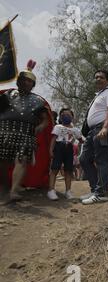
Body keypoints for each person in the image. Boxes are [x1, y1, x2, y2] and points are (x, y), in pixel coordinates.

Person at [0, 60, 53, 201]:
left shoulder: (38, 101)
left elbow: (45, 120)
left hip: (26, 133)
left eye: (29, 81)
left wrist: (40, 127)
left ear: (33, 85)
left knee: (22, 160)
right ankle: (5, 187)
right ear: (18, 81)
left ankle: (14, 191)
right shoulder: (7, 95)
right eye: (23, 80)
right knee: (3, 162)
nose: (26, 83)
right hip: (5, 131)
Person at [79, 69, 108, 205]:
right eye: (96, 77)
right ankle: (95, 190)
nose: (98, 79)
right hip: (93, 131)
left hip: (103, 129)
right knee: (84, 159)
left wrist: (105, 128)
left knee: (102, 160)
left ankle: (101, 193)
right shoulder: (98, 95)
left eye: (101, 77)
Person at [47, 108, 83, 200]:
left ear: (72, 117)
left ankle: (68, 191)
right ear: (61, 117)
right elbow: (54, 139)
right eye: (63, 115)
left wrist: (83, 141)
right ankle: (51, 190)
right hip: (59, 149)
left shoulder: (76, 130)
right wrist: (51, 150)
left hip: (69, 150)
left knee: (68, 171)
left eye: (68, 115)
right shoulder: (58, 127)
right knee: (54, 169)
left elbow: (81, 140)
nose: (66, 116)